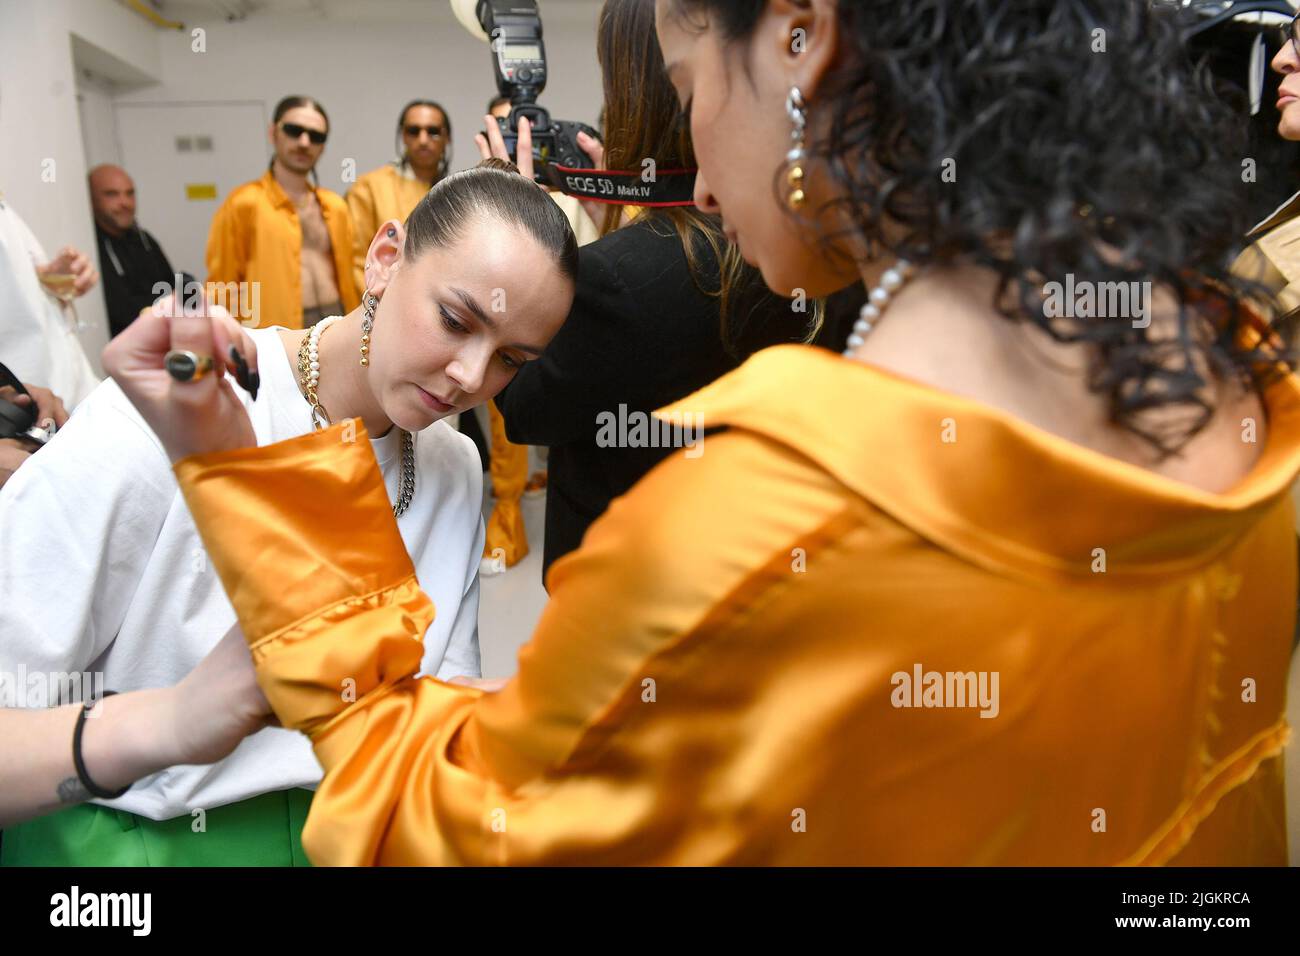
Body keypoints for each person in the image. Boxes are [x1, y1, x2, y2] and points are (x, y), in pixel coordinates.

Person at [104, 0, 1298, 865]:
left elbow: (450, 827)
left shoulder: (764, 530)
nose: (704, 186)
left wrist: (254, 479)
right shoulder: (1241, 367)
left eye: (688, 89)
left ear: (799, 35)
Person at [0, 159, 577, 862]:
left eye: (511, 359)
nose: (470, 377)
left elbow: (430, 711)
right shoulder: (183, 407)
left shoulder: (452, 465)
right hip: (130, 840)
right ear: (386, 260)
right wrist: (165, 723)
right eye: (455, 320)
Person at [496, 0, 803, 582]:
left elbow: (527, 410)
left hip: (620, 585)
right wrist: (617, 224)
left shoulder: (613, 279)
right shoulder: (783, 240)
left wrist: (513, 238)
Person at [206, 95, 359, 329]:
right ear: (273, 133)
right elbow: (223, 285)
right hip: (275, 332)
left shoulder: (335, 206)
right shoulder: (244, 203)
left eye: (316, 136)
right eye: (294, 130)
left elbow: (352, 275)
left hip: (336, 323)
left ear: (323, 146)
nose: (304, 142)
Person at [0, 193, 100, 407]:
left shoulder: (6, 209)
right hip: (33, 417)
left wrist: (53, 279)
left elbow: (18, 299)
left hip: (76, 398)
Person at [346, 101, 451, 299]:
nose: (423, 139)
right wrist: (377, 311)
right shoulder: (369, 187)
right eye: (413, 131)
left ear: (447, 138)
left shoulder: (455, 192)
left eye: (433, 131)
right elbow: (356, 263)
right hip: (382, 308)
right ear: (403, 135)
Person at [89, 164, 185, 338]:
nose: (124, 203)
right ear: (91, 199)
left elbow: (175, 291)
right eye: (112, 194)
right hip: (119, 351)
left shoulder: (144, 240)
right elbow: (120, 310)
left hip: (164, 343)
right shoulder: (89, 246)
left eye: (130, 193)